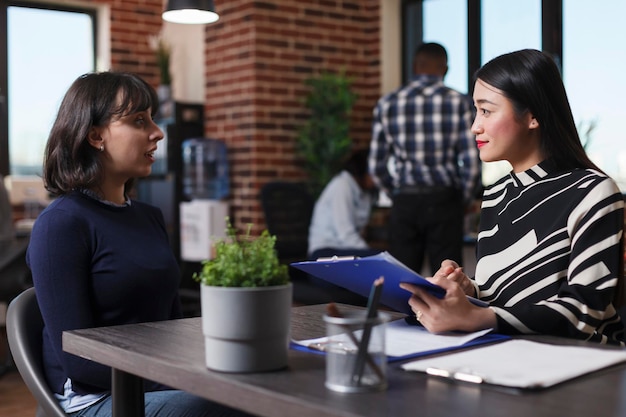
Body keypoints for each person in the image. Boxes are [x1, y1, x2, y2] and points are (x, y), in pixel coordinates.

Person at [26, 72, 252, 416]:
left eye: (152, 119)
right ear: (95, 135)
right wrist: (187, 379)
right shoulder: (61, 223)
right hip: (95, 399)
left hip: (154, 382)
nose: (157, 132)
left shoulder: (149, 217)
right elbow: (79, 361)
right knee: (226, 405)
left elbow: (173, 326)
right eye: (138, 121)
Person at [400, 49, 626, 345]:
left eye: (486, 110)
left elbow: (583, 312)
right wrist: (469, 291)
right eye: (475, 110)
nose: (474, 126)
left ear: (532, 116)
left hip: (585, 366)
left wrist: (474, 317)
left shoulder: (593, 191)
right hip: (506, 352)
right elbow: (505, 296)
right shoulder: (495, 195)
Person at [369, 42, 481, 275]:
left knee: (401, 280)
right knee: (449, 280)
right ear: (445, 69)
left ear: (414, 66)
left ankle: (404, 314)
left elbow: (376, 165)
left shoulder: (387, 103)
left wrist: (397, 192)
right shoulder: (459, 102)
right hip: (444, 200)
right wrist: (464, 198)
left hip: (405, 202)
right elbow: (471, 162)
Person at [308, 149, 380, 259]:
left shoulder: (365, 192)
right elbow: (345, 234)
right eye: (375, 172)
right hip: (325, 251)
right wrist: (370, 254)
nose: (378, 178)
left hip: (345, 250)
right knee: (378, 258)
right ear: (362, 170)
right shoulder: (342, 186)